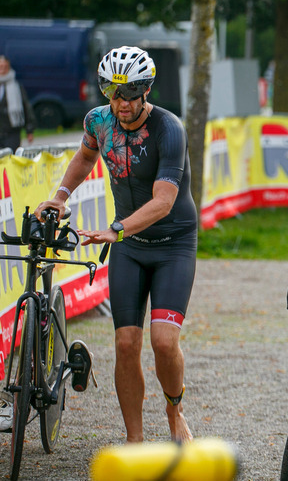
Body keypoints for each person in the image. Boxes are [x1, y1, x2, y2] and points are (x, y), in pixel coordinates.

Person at [35, 46, 197, 444]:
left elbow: (164, 202)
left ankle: (174, 409)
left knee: (163, 342)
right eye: (113, 92)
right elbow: (84, 157)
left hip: (173, 245)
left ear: (146, 91)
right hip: (129, 246)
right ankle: (135, 441)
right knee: (126, 343)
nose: (121, 102)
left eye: (130, 93)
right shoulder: (98, 120)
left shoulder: (168, 128)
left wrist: (117, 229)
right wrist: (60, 196)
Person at [0, 55, 36, 152]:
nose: (2, 69)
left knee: (11, 157)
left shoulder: (16, 87)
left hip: (12, 132)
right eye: (0, 66)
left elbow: (26, 107)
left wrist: (29, 129)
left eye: (5, 67)